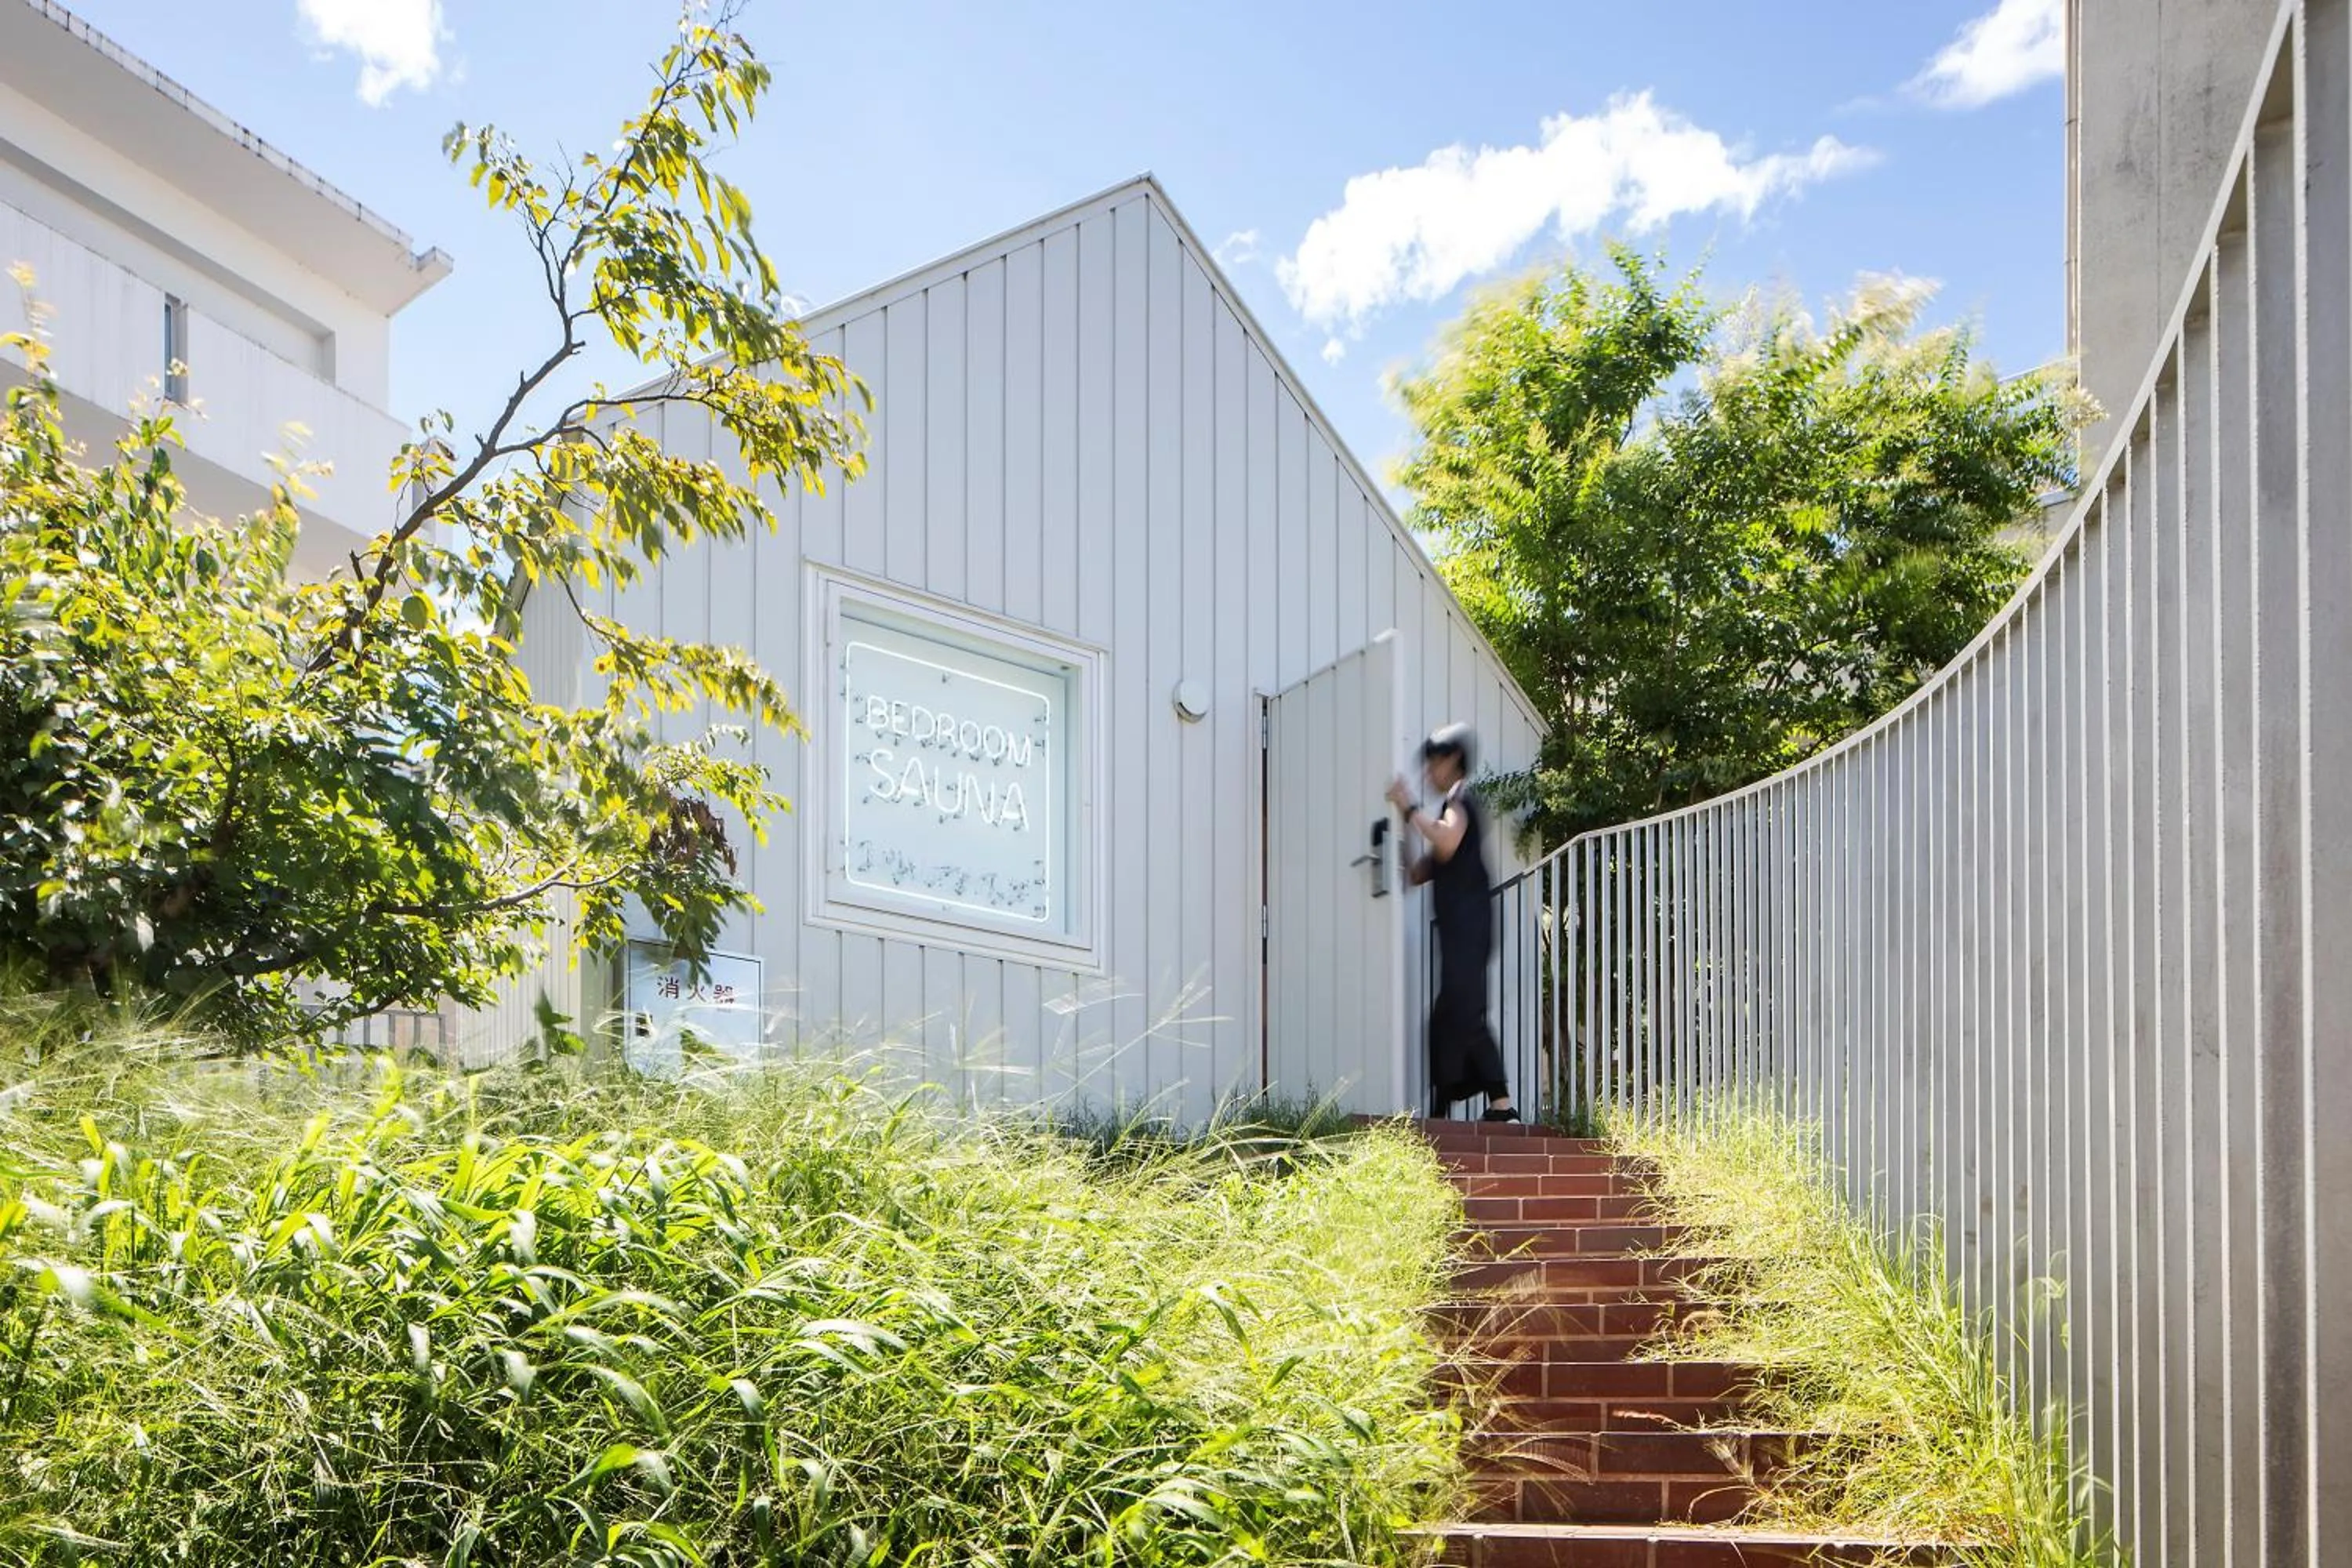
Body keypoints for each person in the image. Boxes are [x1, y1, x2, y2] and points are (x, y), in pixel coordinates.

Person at [1387, 724, 1519, 1123]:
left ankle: (1503, 1106)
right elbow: (1418, 872)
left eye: (1432, 764)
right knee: (1444, 1021)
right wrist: (1403, 824)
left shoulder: (1460, 799)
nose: (1428, 773)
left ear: (1452, 760)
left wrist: (1409, 807)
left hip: (1469, 929)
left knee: (1465, 1014)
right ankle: (1441, 1110)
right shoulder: (1449, 811)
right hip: (1459, 932)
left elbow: (1444, 840)